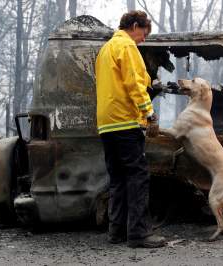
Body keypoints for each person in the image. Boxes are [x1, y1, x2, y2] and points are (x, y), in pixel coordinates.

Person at [95, 10, 165, 248]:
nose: (143, 39)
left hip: (106, 123)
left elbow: (131, 78)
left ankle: (116, 231)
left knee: (117, 178)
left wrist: (152, 82)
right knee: (137, 176)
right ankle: (139, 234)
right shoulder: (127, 47)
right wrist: (150, 113)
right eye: (144, 34)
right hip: (125, 120)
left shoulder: (105, 50)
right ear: (135, 26)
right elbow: (133, 83)